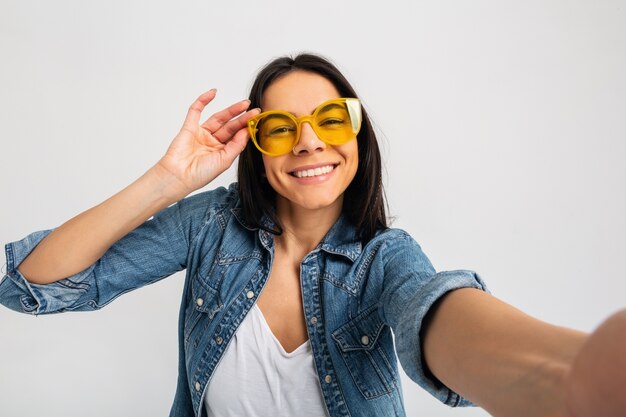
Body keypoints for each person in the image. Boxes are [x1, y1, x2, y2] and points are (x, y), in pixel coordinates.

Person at [1, 53, 624, 417]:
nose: (308, 142)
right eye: (281, 127)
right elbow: (31, 284)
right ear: (256, 148)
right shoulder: (211, 228)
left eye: (331, 119)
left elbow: (436, 314)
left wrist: (567, 379)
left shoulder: (386, 258)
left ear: (358, 134)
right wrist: (168, 180)